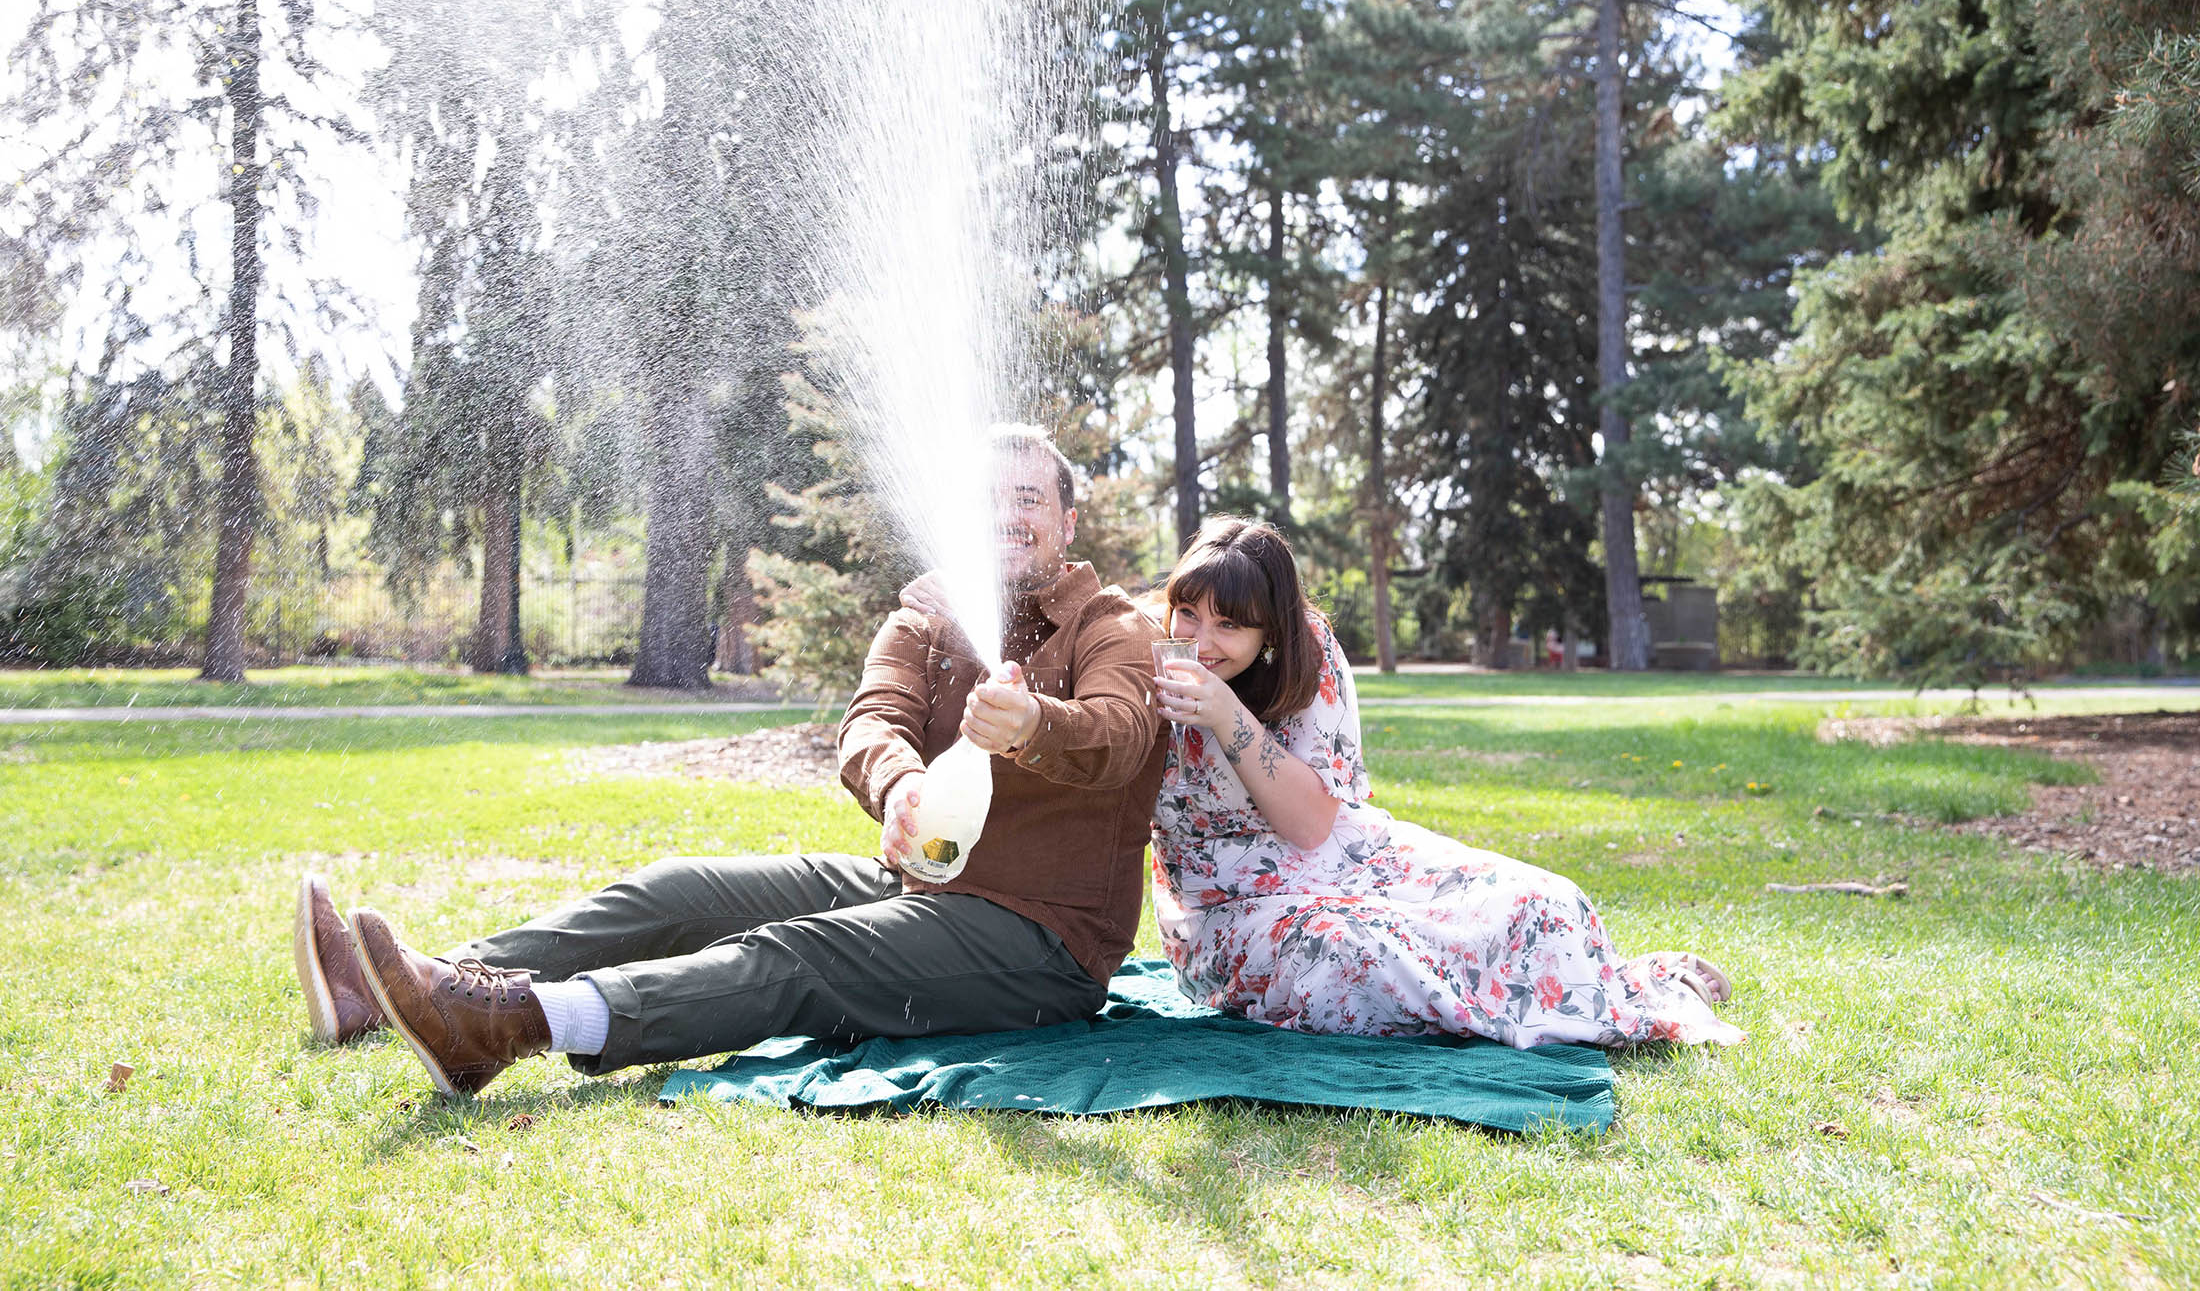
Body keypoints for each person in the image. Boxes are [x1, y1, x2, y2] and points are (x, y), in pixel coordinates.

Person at [293, 426, 1168, 1096]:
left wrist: (1031, 722)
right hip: (921, 887)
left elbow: (1120, 735)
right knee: (680, 889)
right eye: (987, 499)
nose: (1007, 516)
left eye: (1027, 499)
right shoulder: (927, 617)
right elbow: (869, 723)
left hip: (1042, 941)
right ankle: (418, 983)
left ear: (1065, 521)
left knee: (795, 955)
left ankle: (507, 1027)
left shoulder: (1113, 626)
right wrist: (898, 780)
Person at [1146, 517, 1743, 1049]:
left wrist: (1227, 715)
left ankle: (1635, 985)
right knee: (1346, 952)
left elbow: (1310, 825)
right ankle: (1573, 999)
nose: (1199, 639)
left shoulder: (1308, 652)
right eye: (1189, 612)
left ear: (1269, 632)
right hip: (1226, 910)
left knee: (1542, 899)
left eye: (1229, 624)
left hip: (1344, 857)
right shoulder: (1145, 655)